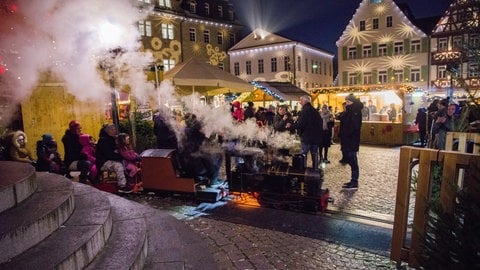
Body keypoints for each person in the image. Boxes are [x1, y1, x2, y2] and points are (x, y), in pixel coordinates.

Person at [179, 114, 223, 186]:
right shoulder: (196, 136)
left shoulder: (185, 131)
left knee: (210, 157)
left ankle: (208, 177)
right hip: (195, 165)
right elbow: (205, 136)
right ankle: (213, 180)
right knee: (216, 157)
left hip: (186, 163)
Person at [286, 95, 323, 170]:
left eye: (301, 101)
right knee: (315, 155)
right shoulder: (315, 111)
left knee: (303, 155)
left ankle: (304, 171)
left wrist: (291, 126)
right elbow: (320, 122)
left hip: (307, 138)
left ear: (305, 101)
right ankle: (315, 171)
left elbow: (301, 124)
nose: (300, 102)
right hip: (315, 138)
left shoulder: (305, 111)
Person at [95, 124, 132, 193]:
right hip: (103, 162)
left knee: (123, 163)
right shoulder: (104, 141)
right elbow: (110, 154)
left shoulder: (111, 139)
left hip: (108, 159)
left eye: (115, 129)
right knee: (118, 166)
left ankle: (126, 181)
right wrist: (120, 157)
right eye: (113, 130)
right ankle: (122, 186)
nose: (115, 131)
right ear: (108, 131)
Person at [338, 94, 363, 190]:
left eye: (348, 102)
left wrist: (347, 133)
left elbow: (354, 126)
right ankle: (353, 180)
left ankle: (354, 181)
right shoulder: (350, 111)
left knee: (353, 160)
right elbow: (344, 118)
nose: (346, 104)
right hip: (347, 140)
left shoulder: (355, 111)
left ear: (353, 102)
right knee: (350, 159)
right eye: (346, 102)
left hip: (351, 140)